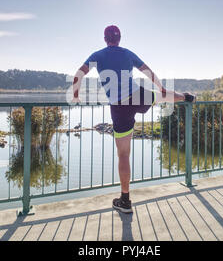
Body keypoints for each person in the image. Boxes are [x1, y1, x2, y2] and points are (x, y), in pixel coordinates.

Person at [71, 25, 195, 213]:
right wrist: (160, 87)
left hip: (119, 106)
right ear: (119, 38)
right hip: (138, 95)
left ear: (105, 39)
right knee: (162, 96)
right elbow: (148, 72)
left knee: (123, 155)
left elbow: (79, 74)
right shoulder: (128, 53)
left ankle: (125, 201)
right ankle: (186, 97)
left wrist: (75, 95)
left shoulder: (98, 55)